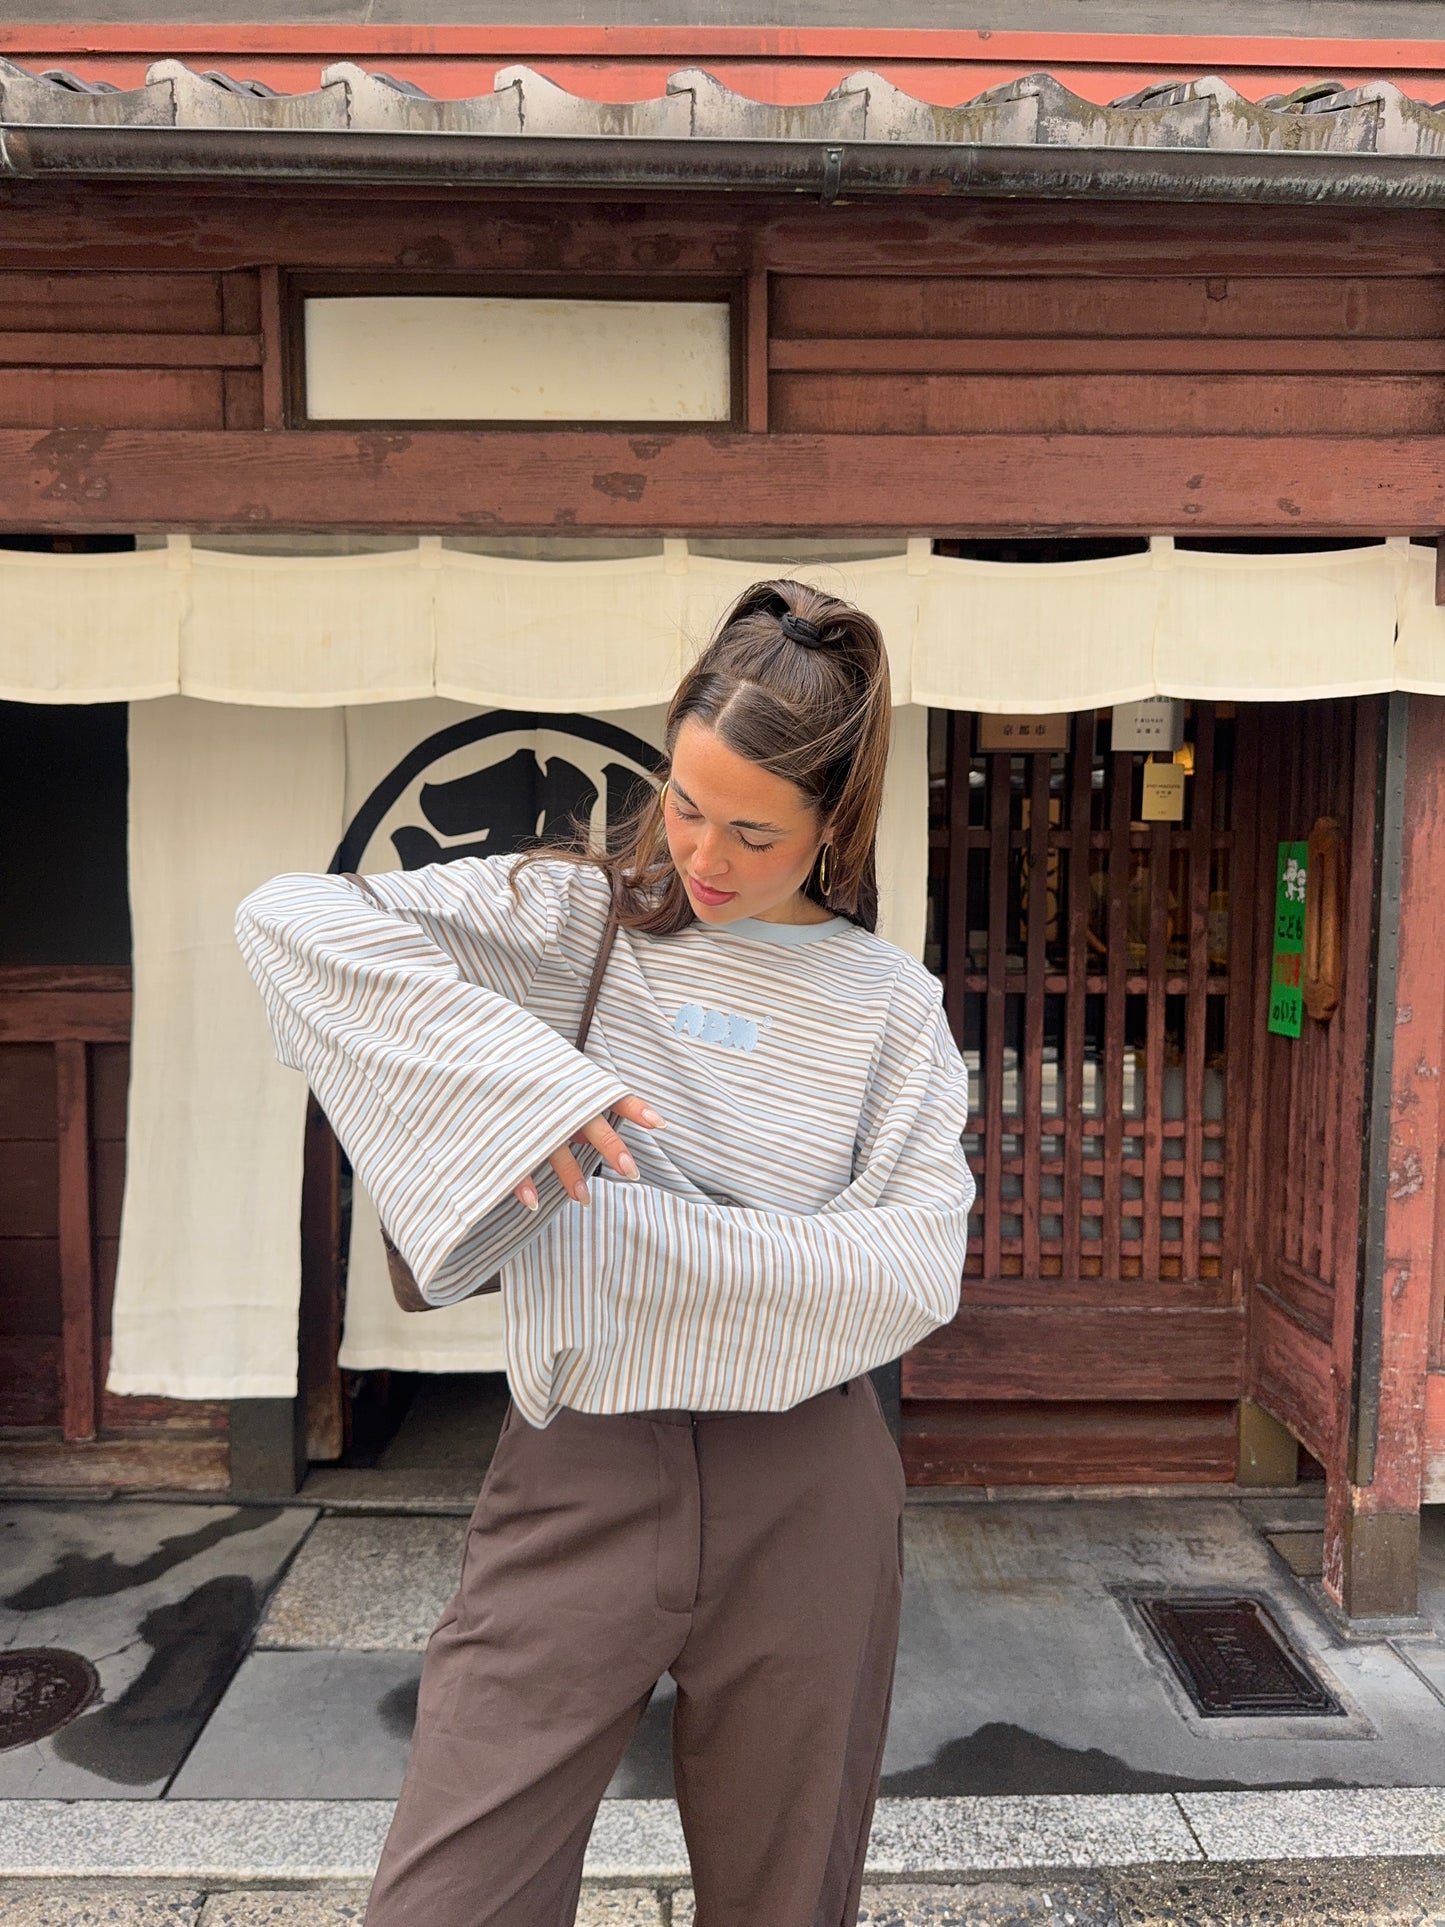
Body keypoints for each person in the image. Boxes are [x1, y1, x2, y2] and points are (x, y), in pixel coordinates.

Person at [236, 579, 976, 1927]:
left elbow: (917, 1266)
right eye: (685, 804)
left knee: (785, 1895)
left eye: (754, 831)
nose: (704, 854)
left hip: (809, 1481)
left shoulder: (890, 1007)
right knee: (450, 1897)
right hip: (580, 1459)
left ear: (837, 820)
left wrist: (633, 1238)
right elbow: (289, 923)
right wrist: (526, 1090)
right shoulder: (569, 924)